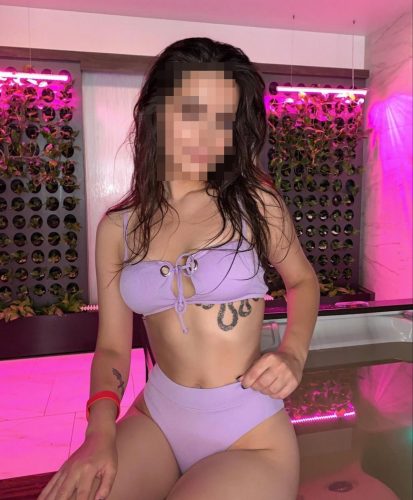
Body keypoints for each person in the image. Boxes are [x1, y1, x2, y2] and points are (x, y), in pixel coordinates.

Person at [39, 37, 320, 500]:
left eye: (223, 119)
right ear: (157, 112)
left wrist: (293, 352)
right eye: (192, 112)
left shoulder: (255, 203)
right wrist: (99, 433)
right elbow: (111, 348)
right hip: (159, 417)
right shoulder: (118, 228)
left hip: (250, 434)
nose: (208, 136)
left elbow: (302, 281)